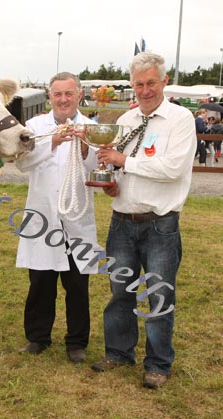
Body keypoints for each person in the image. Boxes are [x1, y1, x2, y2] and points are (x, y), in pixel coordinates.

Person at [92, 52, 195, 389]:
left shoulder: (180, 120)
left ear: (164, 81)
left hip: (159, 224)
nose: (145, 90)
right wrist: (113, 184)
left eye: (151, 82)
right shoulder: (127, 119)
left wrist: (124, 160)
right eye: (139, 84)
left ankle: (158, 364)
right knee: (120, 290)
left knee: (158, 296)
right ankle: (119, 351)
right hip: (121, 220)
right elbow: (123, 166)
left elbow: (172, 169)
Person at [15, 72, 100, 364]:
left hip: (77, 217)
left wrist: (85, 144)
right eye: (57, 94)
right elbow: (22, 162)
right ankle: (37, 337)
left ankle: (76, 342)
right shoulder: (34, 126)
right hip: (43, 216)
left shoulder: (92, 126)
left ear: (79, 95)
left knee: (77, 283)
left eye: (69, 94)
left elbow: (95, 165)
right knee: (40, 280)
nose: (63, 99)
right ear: (49, 96)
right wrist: (52, 141)